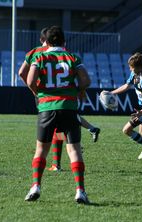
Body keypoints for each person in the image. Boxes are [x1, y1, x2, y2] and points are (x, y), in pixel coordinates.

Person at [24, 26, 91, 204]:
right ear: (64, 41)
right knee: (74, 150)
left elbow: (30, 80)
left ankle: (36, 186)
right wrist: (77, 90)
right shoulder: (72, 57)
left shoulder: (40, 56)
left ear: (46, 41)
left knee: (41, 150)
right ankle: (80, 191)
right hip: (68, 106)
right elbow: (86, 80)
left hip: (47, 107)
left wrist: (39, 93)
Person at [19, 27, 100, 172]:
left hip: (44, 96)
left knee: (52, 129)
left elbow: (21, 73)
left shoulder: (34, 52)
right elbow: (81, 77)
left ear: (42, 40)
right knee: (62, 125)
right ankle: (59, 160)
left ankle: (54, 165)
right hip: (65, 96)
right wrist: (80, 90)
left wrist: (36, 91)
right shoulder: (64, 52)